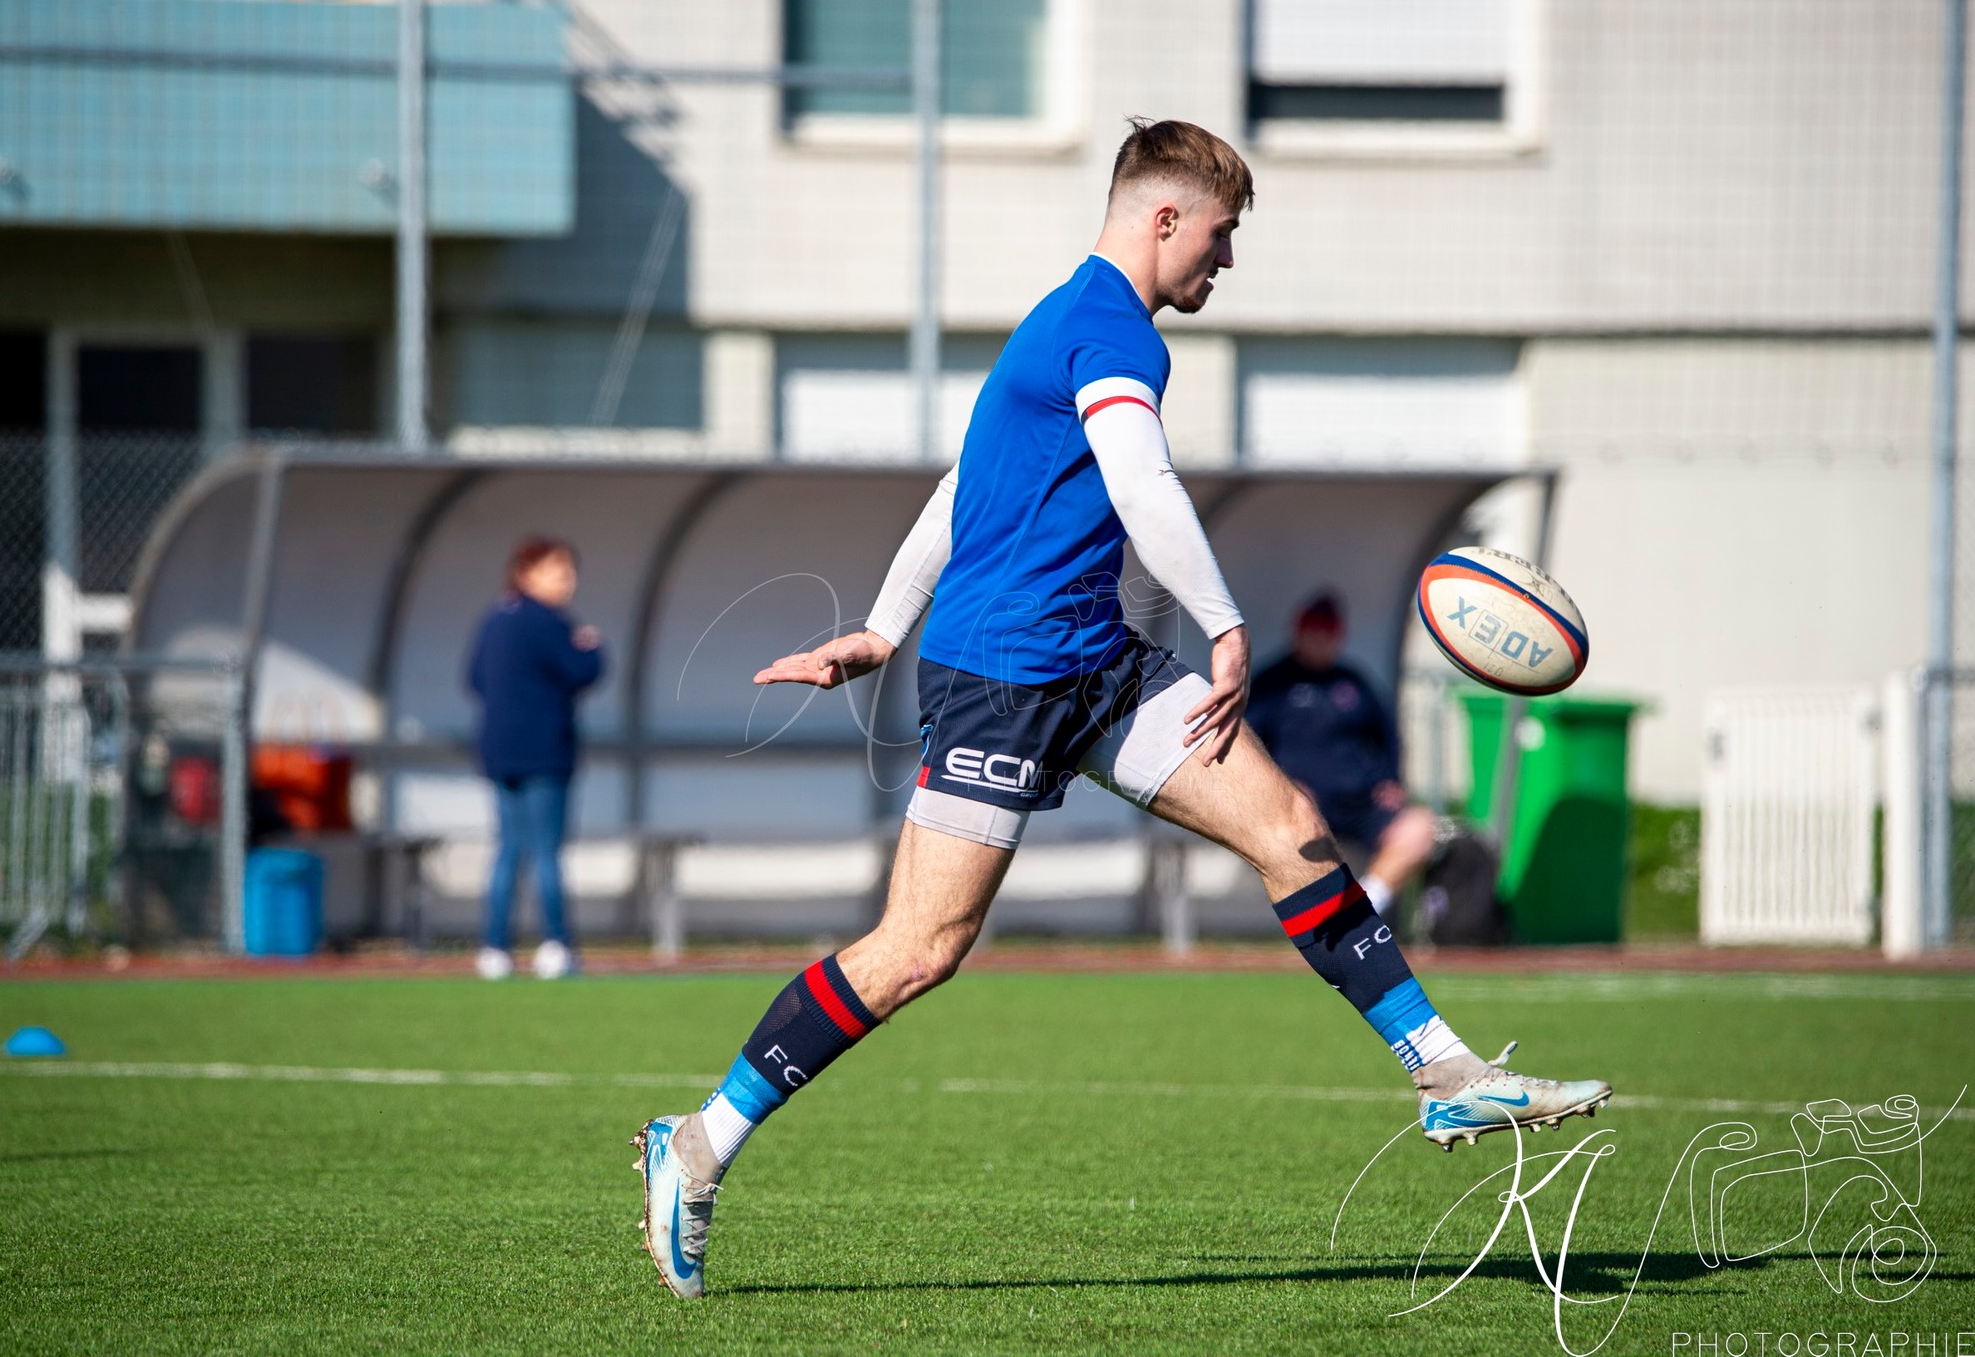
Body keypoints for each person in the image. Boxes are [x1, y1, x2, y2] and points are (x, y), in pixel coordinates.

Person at [632, 119, 1609, 1299]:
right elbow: (1137, 482)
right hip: (1002, 680)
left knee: (1287, 822)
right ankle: (696, 1143)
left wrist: (883, 626)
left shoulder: (1065, 326)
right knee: (915, 953)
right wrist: (1225, 618)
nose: (1225, 259)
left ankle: (1441, 1066)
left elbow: (961, 487)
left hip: (1104, 663)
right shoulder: (1102, 329)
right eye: (1220, 232)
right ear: (1163, 220)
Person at [1247, 592, 1437, 920]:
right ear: (1297, 633)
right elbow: (1248, 744)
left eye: (1327, 636)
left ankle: (1362, 909)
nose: (1319, 643)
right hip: (1306, 805)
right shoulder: (1272, 684)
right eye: (1313, 634)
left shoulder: (1353, 682)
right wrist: (1281, 787)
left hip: (1363, 802)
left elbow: (1388, 738)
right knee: (1298, 833)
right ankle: (1319, 917)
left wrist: (1391, 780)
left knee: (1420, 828)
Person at [465, 537, 604, 982]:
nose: (568, 581)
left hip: (498, 752)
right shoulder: (548, 622)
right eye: (558, 571)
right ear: (526, 573)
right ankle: (557, 946)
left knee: (508, 849)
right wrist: (591, 647)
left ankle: (494, 949)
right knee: (546, 851)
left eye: (569, 571)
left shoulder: (494, 619)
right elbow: (584, 671)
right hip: (545, 752)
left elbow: (471, 678)